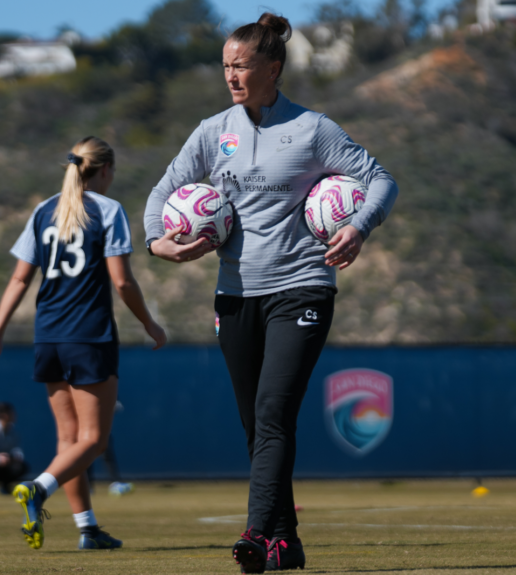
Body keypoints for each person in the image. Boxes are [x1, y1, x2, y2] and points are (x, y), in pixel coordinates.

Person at [143, 13, 398, 573]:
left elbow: (381, 180)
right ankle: (287, 541)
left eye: (241, 65)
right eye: (226, 66)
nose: (231, 75)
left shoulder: (312, 129)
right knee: (256, 425)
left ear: (273, 68)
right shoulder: (213, 131)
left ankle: (256, 535)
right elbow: (161, 196)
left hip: (302, 288)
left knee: (273, 411)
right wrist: (159, 245)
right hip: (235, 296)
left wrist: (358, 227)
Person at [0, 136, 166, 552]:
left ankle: (87, 528)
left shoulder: (44, 210)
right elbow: (122, 280)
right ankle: (38, 487)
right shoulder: (108, 209)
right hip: (89, 335)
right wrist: (150, 323)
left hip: (47, 336)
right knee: (94, 440)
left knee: (70, 440)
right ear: (104, 170)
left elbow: (19, 279)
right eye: (112, 171)